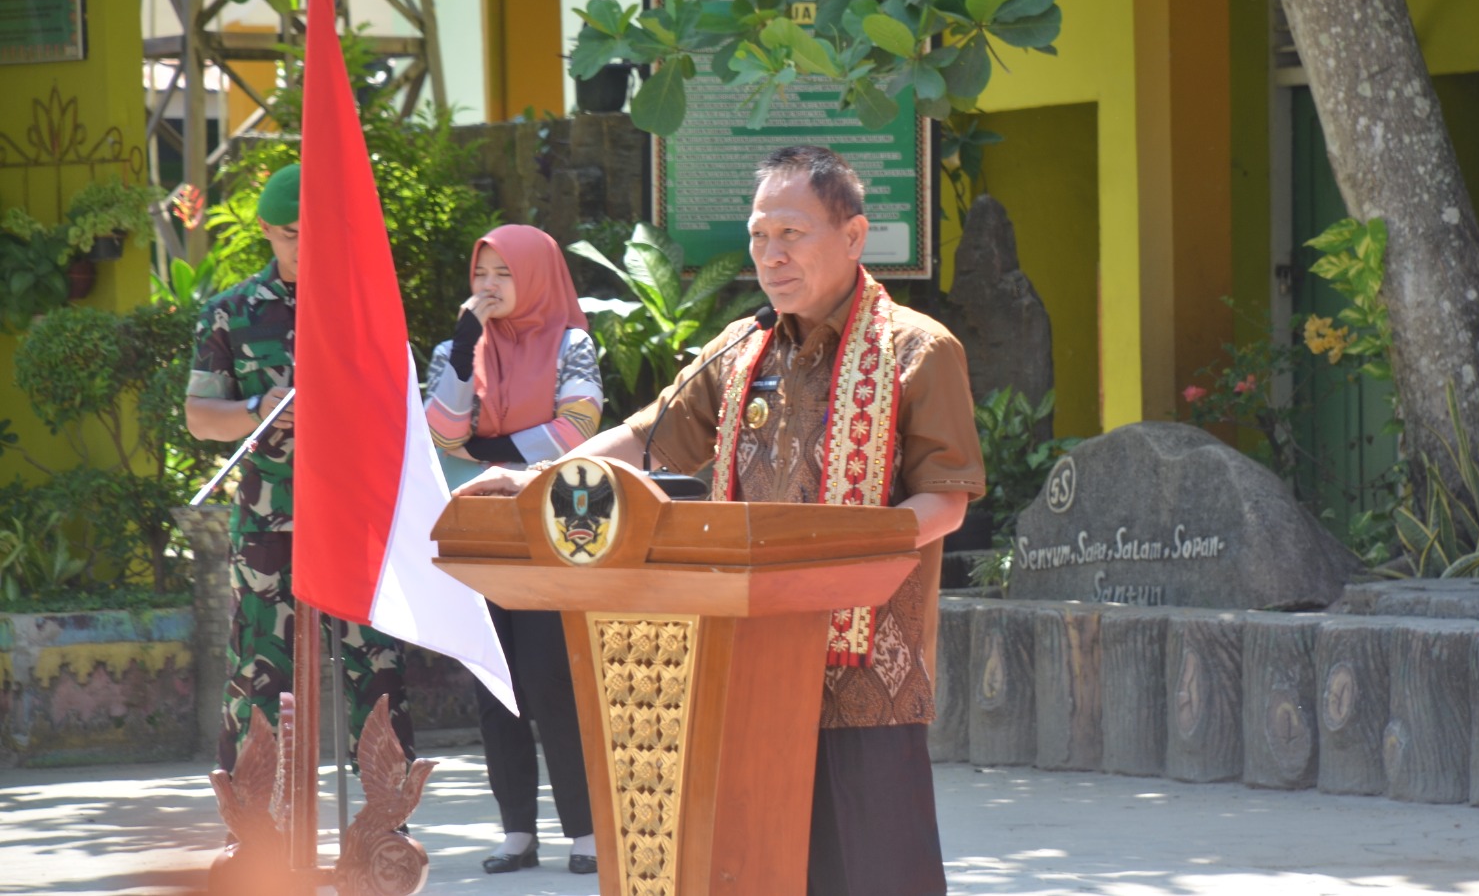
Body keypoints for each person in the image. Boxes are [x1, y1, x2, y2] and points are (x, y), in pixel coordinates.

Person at [459, 145, 986, 895]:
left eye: (791, 234)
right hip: (747, 658)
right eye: (758, 236)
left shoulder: (917, 349)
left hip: (868, 666)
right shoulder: (742, 348)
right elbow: (647, 434)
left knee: (874, 871)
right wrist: (536, 478)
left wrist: (851, 553)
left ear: (854, 235)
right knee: (758, 864)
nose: (770, 255)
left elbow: (948, 496)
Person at [185, 163, 414, 774]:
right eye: (289, 233)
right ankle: (254, 821)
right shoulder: (231, 311)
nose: (301, 244)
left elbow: (401, 403)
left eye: (312, 232)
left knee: (377, 667)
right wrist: (257, 408)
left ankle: (388, 821)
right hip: (269, 517)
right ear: (264, 229)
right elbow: (201, 417)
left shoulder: (363, 307)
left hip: (354, 512)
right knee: (258, 669)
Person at [423, 224, 602, 876]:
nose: (489, 286)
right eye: (481, 274)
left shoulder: (570, 342)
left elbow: (580, 424)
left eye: (503, 273)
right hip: (482, 533)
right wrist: (466, 345)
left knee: (553, 678)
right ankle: (517, 831)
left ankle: (585, 831)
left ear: (537, 276)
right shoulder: (457, 346)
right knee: (493, 680)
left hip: (554, 528)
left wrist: (493, 452)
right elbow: (441, 432)